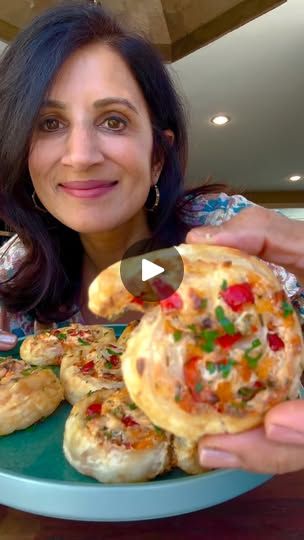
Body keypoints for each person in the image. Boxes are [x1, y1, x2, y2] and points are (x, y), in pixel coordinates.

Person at [0, 1, 303, 474]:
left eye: (113, 120)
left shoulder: (225, 238)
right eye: (50, 123)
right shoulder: (14, 265)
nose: (80, 155)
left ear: (157, 156)